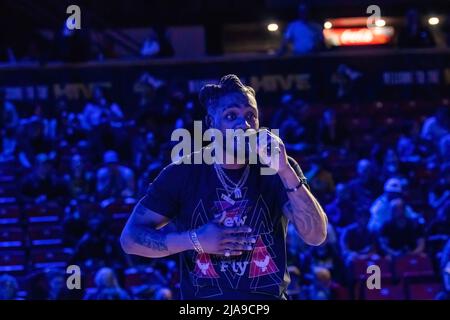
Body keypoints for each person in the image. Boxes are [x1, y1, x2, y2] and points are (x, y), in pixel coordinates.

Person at [120, 74, 328, 300]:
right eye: (231, 116)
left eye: (251, 116)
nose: (244, 124)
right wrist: (196, 240)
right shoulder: (182, 172)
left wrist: (286, 170)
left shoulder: (277, 168)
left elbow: (316, 236)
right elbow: (130, 239)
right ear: (211, 124)